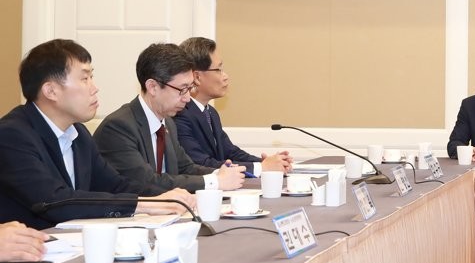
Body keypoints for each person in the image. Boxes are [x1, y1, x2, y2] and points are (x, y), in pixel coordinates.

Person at [0, 39, 193, 229]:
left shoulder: (78, 133)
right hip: (33, 245)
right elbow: (54, 200)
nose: (94, 88)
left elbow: (115, 185)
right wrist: (144, 205)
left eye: (92, 77)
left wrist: (167, 197)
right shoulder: (12, 135)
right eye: (85, 79)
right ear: (51, 91)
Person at [94, 43, 246, 192]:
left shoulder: (168, 123)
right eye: (182, 89)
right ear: (153, 87)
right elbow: (146, 182)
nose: (187, 98)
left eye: (190, 88)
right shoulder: (118, 128)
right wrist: (215, 181)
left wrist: (219, 173)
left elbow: (186, 168)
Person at [174, 37, 292, 175]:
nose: (225, 76)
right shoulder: (179, 114)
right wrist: (262, 167)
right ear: (197, 77)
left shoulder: (210, 113)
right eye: (218, 69)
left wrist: (267, 163)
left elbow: (231, 152)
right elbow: (201, 163)